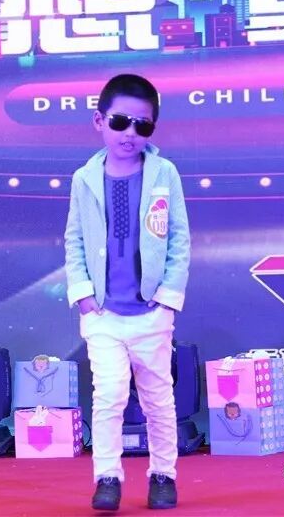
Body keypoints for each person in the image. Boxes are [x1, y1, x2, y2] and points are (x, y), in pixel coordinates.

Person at [64, 73, 191, 511]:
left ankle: (163, 475)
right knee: (109, 395)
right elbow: (74, 239)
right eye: (120, 122)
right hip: (103, 313)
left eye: (143, 125)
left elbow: (179, 238)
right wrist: (83, 295)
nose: (130, 133)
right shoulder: (84, 178)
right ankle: (107, 477)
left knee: (158, 397)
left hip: (151, 311)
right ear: (99, 121)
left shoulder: (164, 173)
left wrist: (168, 296)